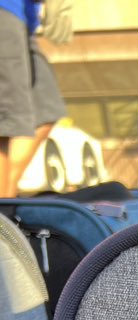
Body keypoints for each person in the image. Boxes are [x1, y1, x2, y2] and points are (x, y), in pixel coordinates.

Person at [0, 0, 71, 198]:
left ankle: (6, 206)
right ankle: (4, 218)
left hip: (22, 18)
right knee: (4, 124)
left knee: (46, 108)